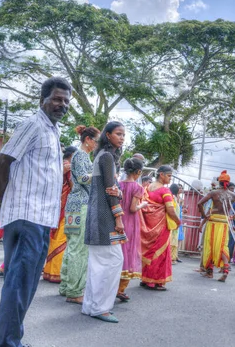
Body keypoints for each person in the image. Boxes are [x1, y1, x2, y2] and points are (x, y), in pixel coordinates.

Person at [0, 77, 71, 347]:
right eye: (58, 99)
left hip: (40, 219)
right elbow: (2, 161)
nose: (63, 105)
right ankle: (6, 343)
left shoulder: (53, 130)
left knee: (24, 286)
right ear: (43, 100)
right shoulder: (33, 124)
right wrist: (3, 202)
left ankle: (10, 340)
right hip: (26, 217)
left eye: (66, 101)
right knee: (18, 285)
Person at [82, 121, 127, 323]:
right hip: (105, 216)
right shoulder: (107, 157)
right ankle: (100, 307)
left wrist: (118, 191)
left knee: (98, 262)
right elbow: (111, 190)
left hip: (96, 214)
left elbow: (112, 189)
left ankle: (91, 306)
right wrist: (118, 218)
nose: (122, 138)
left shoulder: (100, 155)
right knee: (112, 261)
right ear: (107, 135)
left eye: (123, 135)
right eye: (118, 134)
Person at [59, 125, 100, 304]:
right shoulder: (81, 156)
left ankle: (67, 286)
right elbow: (83, 178)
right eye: (97, 141)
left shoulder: (78, 156)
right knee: (79, 249)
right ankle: (74, 291)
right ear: (88, 140)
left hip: (73, 205)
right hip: (82, 205)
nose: (98, 145)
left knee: (72, 247)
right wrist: (101, 174)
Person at [197, 171, 235, 282]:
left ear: (219, 182)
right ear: (228, 183)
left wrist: (204, 215)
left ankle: (210, 272)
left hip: (213, 220)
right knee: (222, 246)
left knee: (210, 244)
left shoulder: (214, 193)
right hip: (225, 222)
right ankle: (225, 270)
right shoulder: (233, 195)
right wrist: (233, 217)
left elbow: (199, 203)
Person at [140, 165, 181, 291]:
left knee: (149, 252)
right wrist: (178, 221)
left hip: (149, 225)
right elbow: (170, 209)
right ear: (161, 174)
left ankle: (145, 279)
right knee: (160, 254)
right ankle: (155, 281)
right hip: (161, 226)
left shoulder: (147, 188)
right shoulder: (165, 191)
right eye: (169, 176)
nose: (170, 179)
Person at [43, 146, 77, 283]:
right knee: (64, 239)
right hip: (68, 208)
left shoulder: (57, 165)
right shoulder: (69, 168)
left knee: (55, 237)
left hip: (55, 206)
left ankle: (49, 271)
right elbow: (74, 187)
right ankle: (57, 272)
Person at [117, 157, 147, 302]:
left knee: (117, 252)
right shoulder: (137, 188)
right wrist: (143, 205)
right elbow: (133, 208)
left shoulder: (118, 184)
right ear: (139, 172)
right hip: (130, 223)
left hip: (117, 221)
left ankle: (113, 286)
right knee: (128, 252)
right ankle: (120, 289)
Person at [169, 183, 183, 265]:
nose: (180, 190)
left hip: (175, 221)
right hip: (174, 221)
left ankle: (173, 258)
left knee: (174, 239)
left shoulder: (175, 198)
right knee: (173, 240)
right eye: (179, 188)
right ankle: (171, 258)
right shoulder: (173, 198)